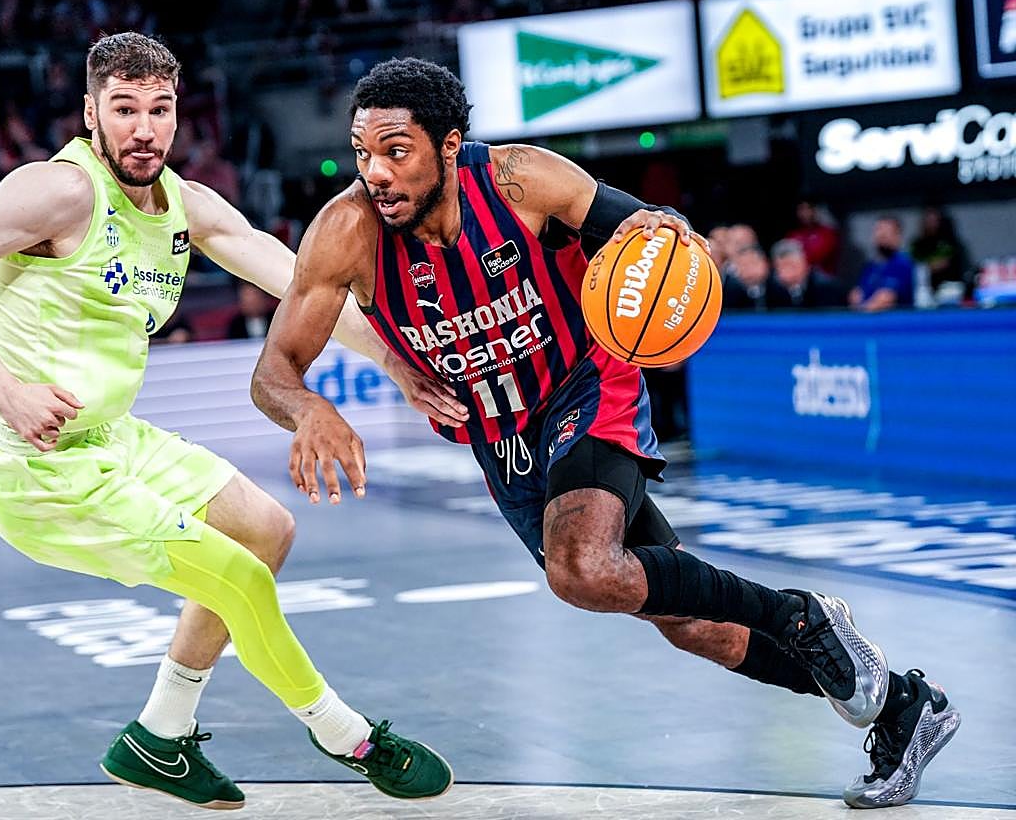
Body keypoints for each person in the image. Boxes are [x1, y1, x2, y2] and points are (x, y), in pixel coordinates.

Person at [250, 58, 960, 810]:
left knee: (582, 569)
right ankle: (902, 707)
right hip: (503, 434)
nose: (376, 174)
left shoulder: (522, 180)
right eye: (363, 154)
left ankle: (803, 613)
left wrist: (668, 238)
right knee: (694, 626)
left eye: (397, 151)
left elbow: (658, 236)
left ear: (450, 145)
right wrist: (312, 408)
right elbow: (273, 372)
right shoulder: (346, 231)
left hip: (586, 384)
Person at [0, 33, 453, 812]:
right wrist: (5, 386)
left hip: (114, 439)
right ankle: (344, 735)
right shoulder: (56, 193)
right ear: (92, 114)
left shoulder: (185, 206)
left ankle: (160, 736)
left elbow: (295, 278)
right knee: (241, 580)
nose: (144, 128)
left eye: (159, 109)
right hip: (36, 463)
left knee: (266, 531)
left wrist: (392, 363)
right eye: (124, 110)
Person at [850, 216, 914, 312]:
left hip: (892, 322)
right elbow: (857, 295)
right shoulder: (870, 266)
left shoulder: (903, 264)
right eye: (879, 230)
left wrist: (862, 310)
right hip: (865, 319)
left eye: (888, 231)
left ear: (898, 236)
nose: (882, 235)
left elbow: (885, 298)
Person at [770, 238, 847, 309]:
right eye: (782, 266)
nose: (787, 270)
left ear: (805, 263)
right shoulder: (770, 290)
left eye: (792, 265)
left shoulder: (826, 288)